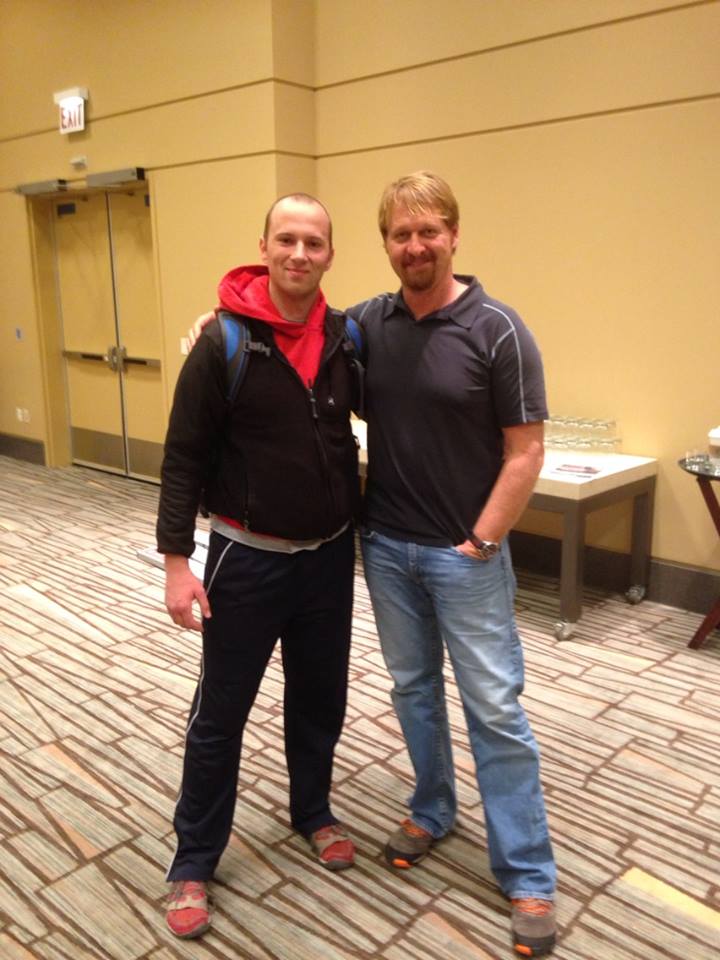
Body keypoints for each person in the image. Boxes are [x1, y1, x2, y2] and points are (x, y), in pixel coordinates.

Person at [188, 172, 557, 956]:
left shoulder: (499, 329)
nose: (415, 246)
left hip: (467, 555)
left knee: (493, 708)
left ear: (453, 234)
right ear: (385, 243)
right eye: (400, 234)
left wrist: (482, 542)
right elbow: (292, 329)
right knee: (414, 692)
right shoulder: (367, 327)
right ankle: (432, 809)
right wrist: (216, 323)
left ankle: (527, 870)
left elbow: (526, 452)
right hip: (385, 549)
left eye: (429, 232)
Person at [157, 194, 360, 940]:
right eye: (287, 240)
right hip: (245, 561)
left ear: (330, 253)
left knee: (319, 699)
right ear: (265, 247)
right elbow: (183, 458)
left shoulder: (346, 337)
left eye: (314, 242)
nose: (299, 254)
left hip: (328, 560)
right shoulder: (225, 342)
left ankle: (313, 811)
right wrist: (177, 564)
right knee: (221, 714)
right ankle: (193, 860)